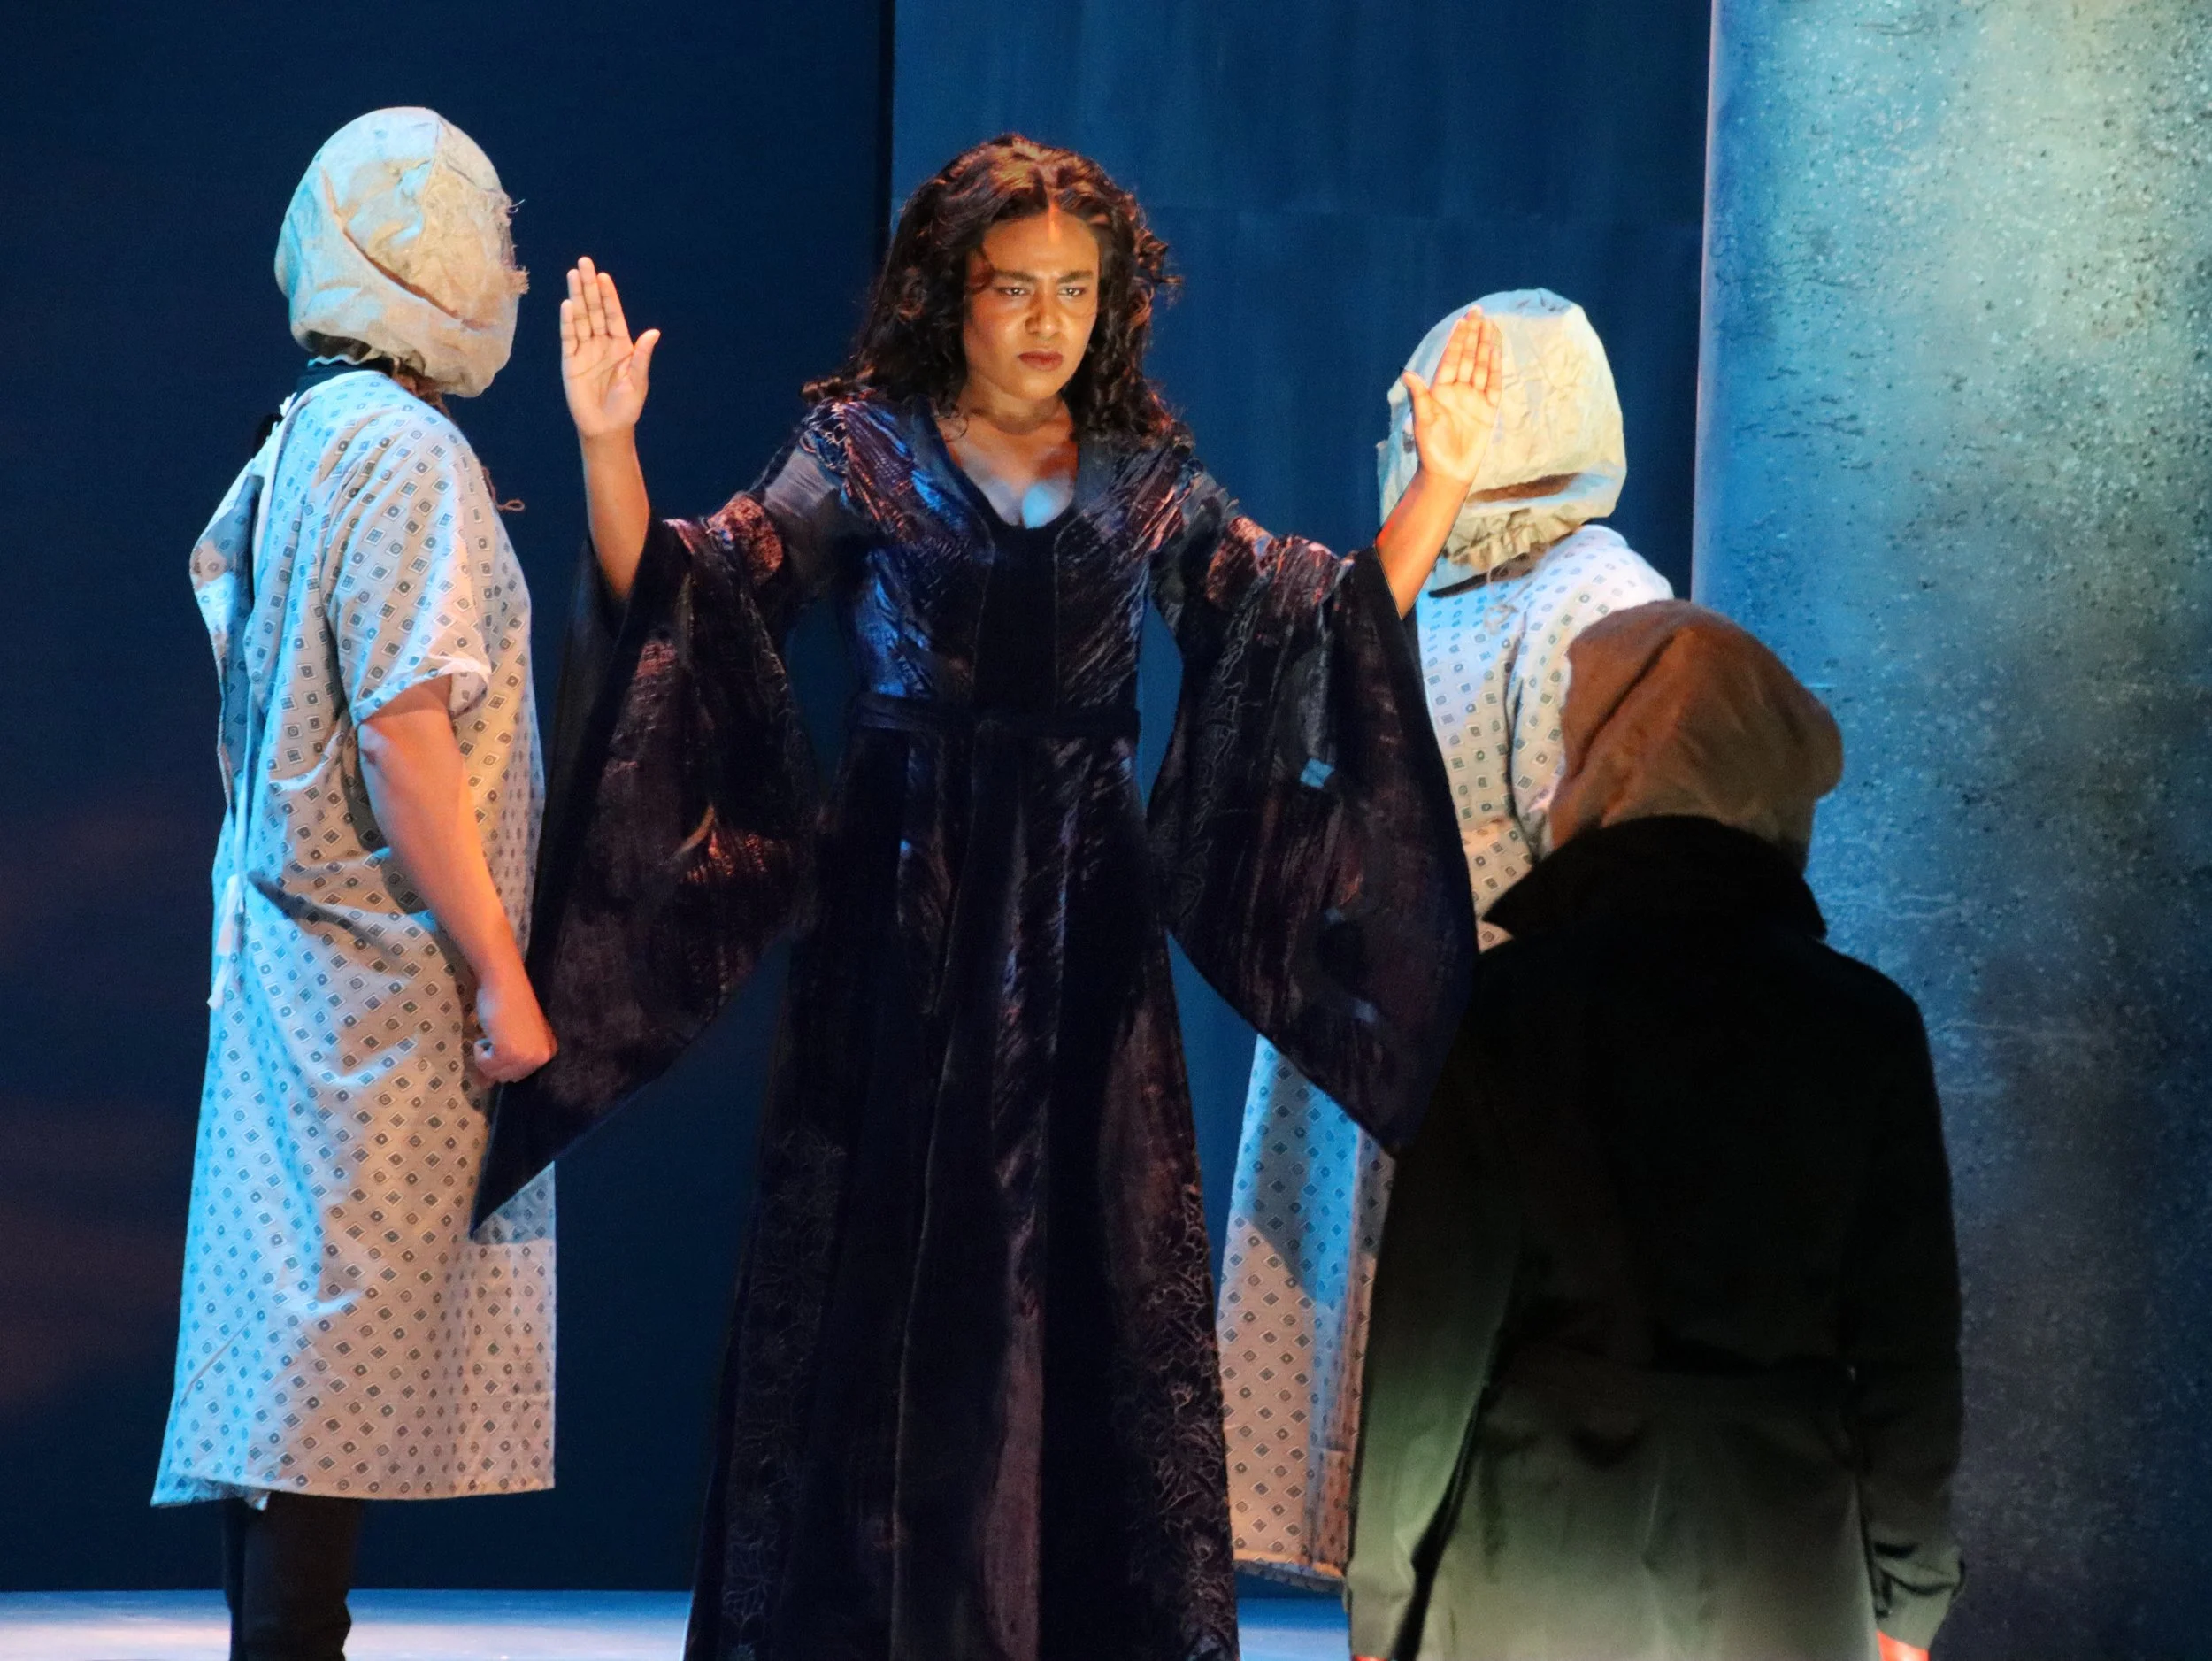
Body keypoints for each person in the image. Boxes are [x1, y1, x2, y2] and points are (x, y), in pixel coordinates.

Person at [473, 135, 1494, 1661]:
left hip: (1087, 931)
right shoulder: (862, 451)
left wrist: (1441, 487)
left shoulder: (1144, 478)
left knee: (1081, 1270)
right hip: (899, 927)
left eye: (1074, 289)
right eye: (1013, 287)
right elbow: (692, 605)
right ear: (950, 295)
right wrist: (606, 444)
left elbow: (1312, 626)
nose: (1045, 320)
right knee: (891, 1273)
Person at [1344, 601, 1964, 1661]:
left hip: (1530, 1554)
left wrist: (1380, 1597)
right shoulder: (1868, 1027)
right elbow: (1908, 1347)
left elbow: (1431, 1335)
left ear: (1608, 761)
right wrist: (1909, 1594)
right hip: (1784, 1563)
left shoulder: (1502, 1009)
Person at [152, 108, 557, 1661]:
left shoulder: (313, 428)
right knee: (319, 1381)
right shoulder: (404, 450)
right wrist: (501, 972)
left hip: (302, 975)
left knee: (290, 1385)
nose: (510, 268)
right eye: (493, 233)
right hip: (380, 994)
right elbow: (401, 729)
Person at [1217, 291, 1671, 1585]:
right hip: (1374, 1011)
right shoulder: (1420, 575)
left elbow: (1580, 847)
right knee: (1377, 1359)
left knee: (1472, 1361)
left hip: (1482, 1036)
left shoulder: (1592, 595)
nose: (1415, 427)